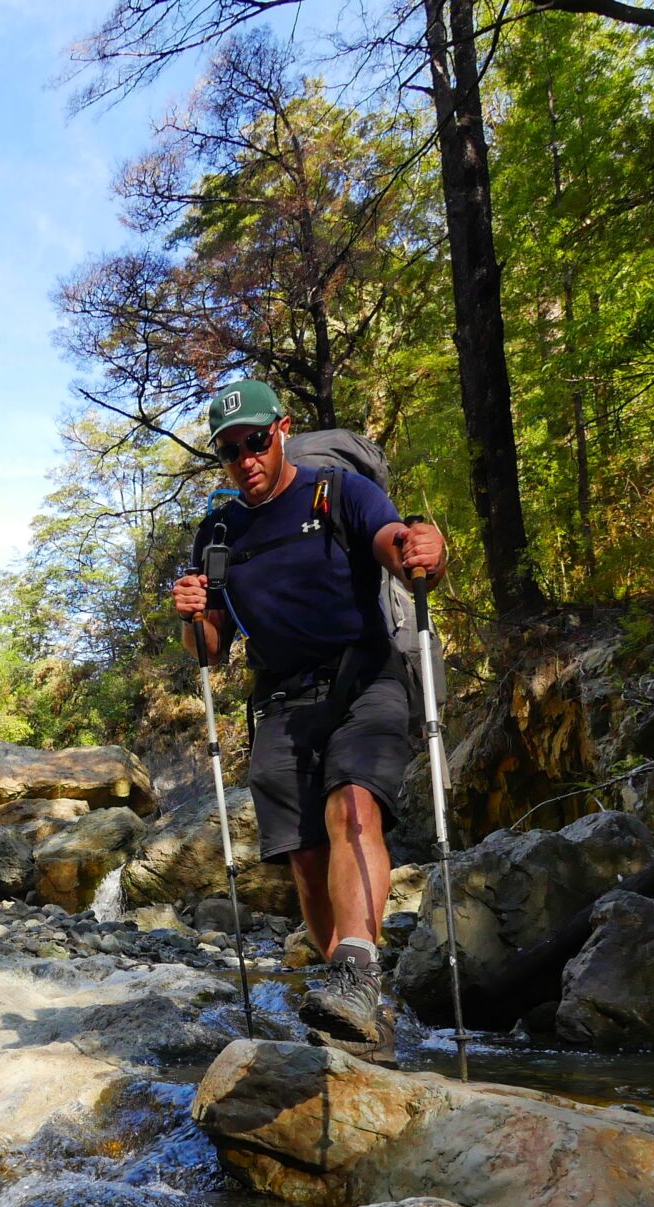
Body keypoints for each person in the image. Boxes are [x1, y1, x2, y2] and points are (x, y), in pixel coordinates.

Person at [173, 378, 446, 1044]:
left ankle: (356, 972)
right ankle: (351, 1007)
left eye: (256, 442)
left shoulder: (338, 493)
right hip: (281, 704)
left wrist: (425, 553)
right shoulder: (219, 531)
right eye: (230, 451)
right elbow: (209, 648)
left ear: (283, 429)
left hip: (366, 680)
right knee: (306, 860)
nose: (246, 460)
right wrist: (188, 614)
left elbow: (394, 548)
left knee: (353, 805)